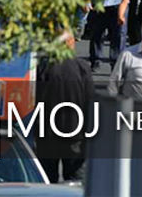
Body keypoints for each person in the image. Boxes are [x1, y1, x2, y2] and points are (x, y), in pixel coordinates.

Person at [35, 30, 93, 183]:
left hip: (47, 135)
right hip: (76, 135)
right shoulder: (82, 67)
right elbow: (90, 101)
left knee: (48, 181)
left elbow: (36, 99)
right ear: (69, 44)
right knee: (75, 180)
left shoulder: (43, 67)